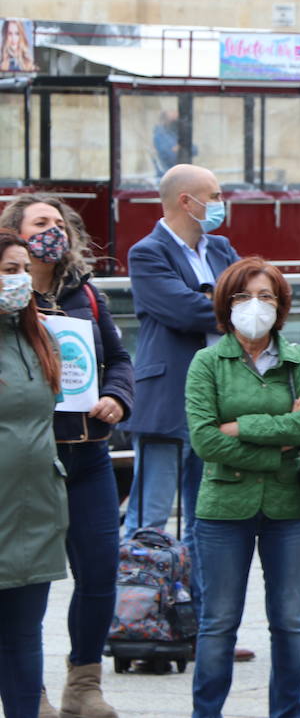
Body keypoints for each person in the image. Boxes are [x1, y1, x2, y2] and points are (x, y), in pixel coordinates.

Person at [0, 197, 132, 718]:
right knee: (24, 587)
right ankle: (27, 690)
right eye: (41, 224)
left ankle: (84, 682)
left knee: (99, 573)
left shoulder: (86, 295)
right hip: (33, 464)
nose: (52, 231)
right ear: (14, 235)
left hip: (89, 455)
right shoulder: (17, 303)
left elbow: (119, 360)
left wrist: (118, 397)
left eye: (59, 223)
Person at [185, 258, 300, 718]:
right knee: (219, 623)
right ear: (226, 305)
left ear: (281, 305)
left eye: (266, 296)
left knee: (289, 622)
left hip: (290, 509)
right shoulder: (207, 361)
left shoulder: (298, 358)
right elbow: (205, 438)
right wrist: (279, 441)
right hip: (224, 509)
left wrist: (240, 426)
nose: (255, 305)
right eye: (244, 296)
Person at [124, 165, 241, 632]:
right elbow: (181, 308)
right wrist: (227, 304)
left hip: (221, 406)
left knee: (206, 521)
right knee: (150, 519)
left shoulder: (222, 248)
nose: (220, 203)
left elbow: (246, 293)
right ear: (185, 201)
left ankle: (203, 626)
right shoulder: (146, 253)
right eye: (213, 195)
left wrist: (222, 301)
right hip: (166, 405)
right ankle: (136, 619)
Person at [0, 229, 66, 718]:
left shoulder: (40, 334)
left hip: (36, 511)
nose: (21, 279)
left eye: (23, 269)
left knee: (24, 641)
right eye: (9, 270)